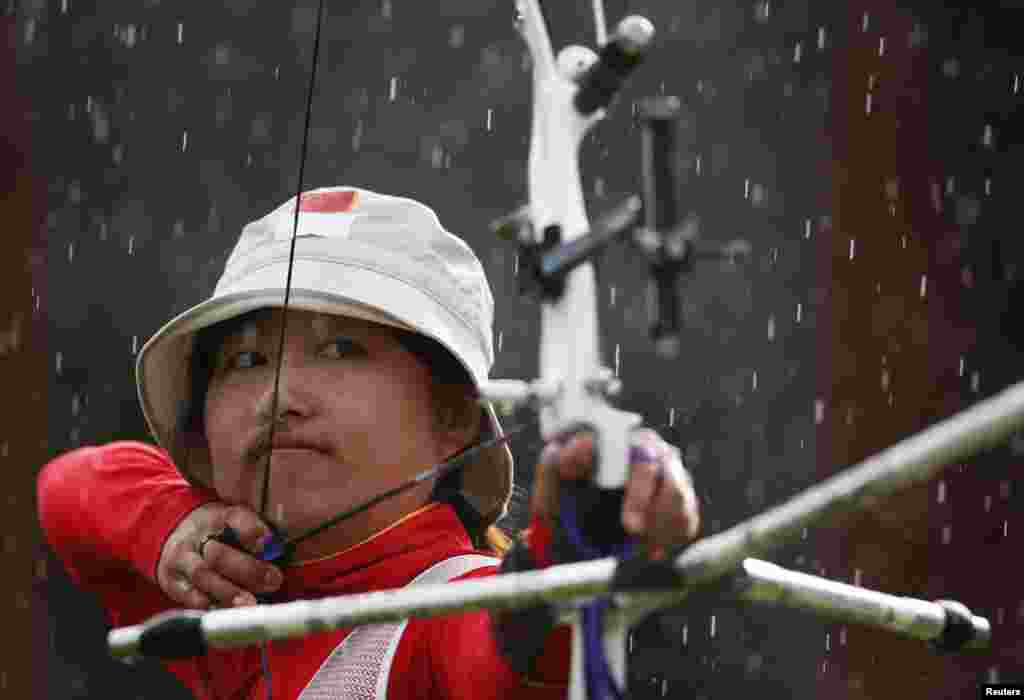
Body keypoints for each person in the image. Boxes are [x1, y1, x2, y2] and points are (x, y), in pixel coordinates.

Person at [37, 186, 700, 700]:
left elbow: (511, 644)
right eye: (243, 362)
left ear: (453, 421)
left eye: (340, 349)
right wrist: (170, 527)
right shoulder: (233, 596)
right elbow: (67, 490)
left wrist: (585, 531)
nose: (277, 396)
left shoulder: (445, 611)